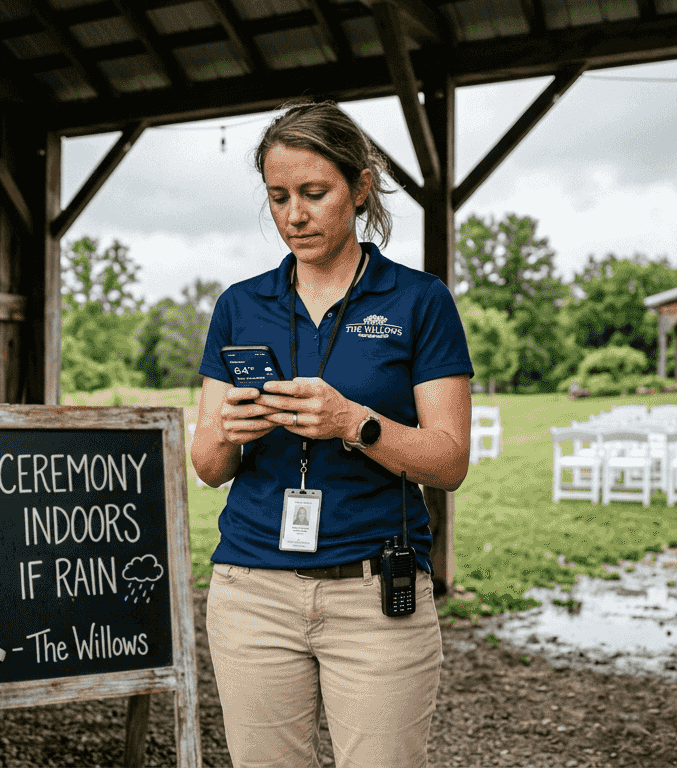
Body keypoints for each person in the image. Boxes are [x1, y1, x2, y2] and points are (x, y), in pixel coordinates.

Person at [191, 100, 473, 768]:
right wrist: (234, 430)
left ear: (361, 186)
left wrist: (355, 423)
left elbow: (450, 460)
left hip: (376, 597)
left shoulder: (418, 300)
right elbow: (206, 464)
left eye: (315, 194)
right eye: (279, 196)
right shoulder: (240, 305)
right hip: (251, 591)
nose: (295, 214)